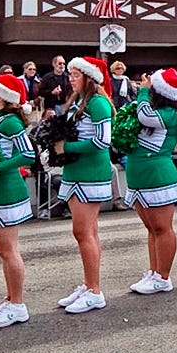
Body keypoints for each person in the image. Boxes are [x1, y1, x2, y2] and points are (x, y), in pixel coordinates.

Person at [55, 57, 114, 314]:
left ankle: (94, 290)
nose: (71, 79)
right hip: (76, 170)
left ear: (89, 77)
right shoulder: (79, 102)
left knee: (83, 232)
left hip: (91, 173)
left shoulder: (98, 103)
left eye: (76, 75)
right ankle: (90, 284)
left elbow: (103, 141)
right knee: (88, 232)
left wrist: (66, 147)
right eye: (70, 74)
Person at [125, 68, 177, 294]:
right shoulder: (159, 109)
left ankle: (163, 277)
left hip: (158, 174)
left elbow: (145, 116)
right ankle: (154, 271)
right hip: (140, 174)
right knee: (152, 228)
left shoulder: (171, 112)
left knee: (162, 228)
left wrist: (142, 93)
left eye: (152, 86)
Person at [0, 73, 36, 328]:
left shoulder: (10, 122)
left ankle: (18, 305)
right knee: (2, 249)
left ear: (1, 98)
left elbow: (27, 154)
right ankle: (10, 298)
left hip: (9, 190)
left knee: (9, 249)